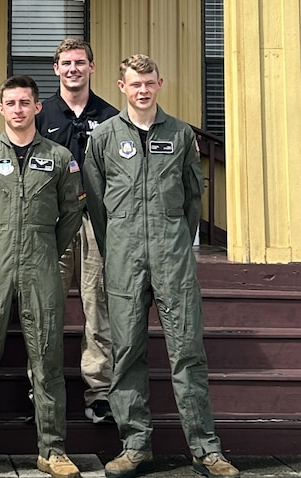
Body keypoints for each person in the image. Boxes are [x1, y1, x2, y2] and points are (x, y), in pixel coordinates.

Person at [83, 55, 239, 478]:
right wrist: (120, 244)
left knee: (187, 353)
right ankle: (135, 447)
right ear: (121, 87)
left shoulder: (181, 134)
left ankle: (206, 450)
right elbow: (97, 206)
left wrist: (174, 241)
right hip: (124, 261)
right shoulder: (104, 138)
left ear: (160, 83)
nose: (143, 90)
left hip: (173, 261)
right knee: (128, 354)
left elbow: (193, 198)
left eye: (149, 83)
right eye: (135, 84)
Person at [0, 75, 84, 478]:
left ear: (36, 107)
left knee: (47, 356)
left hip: (41, 259)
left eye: (24, 103)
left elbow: (71, 215)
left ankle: (53, 449)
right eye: (10, 103)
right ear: (1, 108)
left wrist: (42, 244)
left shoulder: (61, 158)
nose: (17, 110)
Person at [35, 39, 118, 424]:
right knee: (45, 306)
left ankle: (99, 390)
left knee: (96, 305)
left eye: (80, 63)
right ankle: (43, 387)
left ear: (92, 67)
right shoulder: (41, 112)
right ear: (55, 69)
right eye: (66, 63)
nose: (73, 69)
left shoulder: (111, 115)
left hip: (96, 221)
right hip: (52, 221)